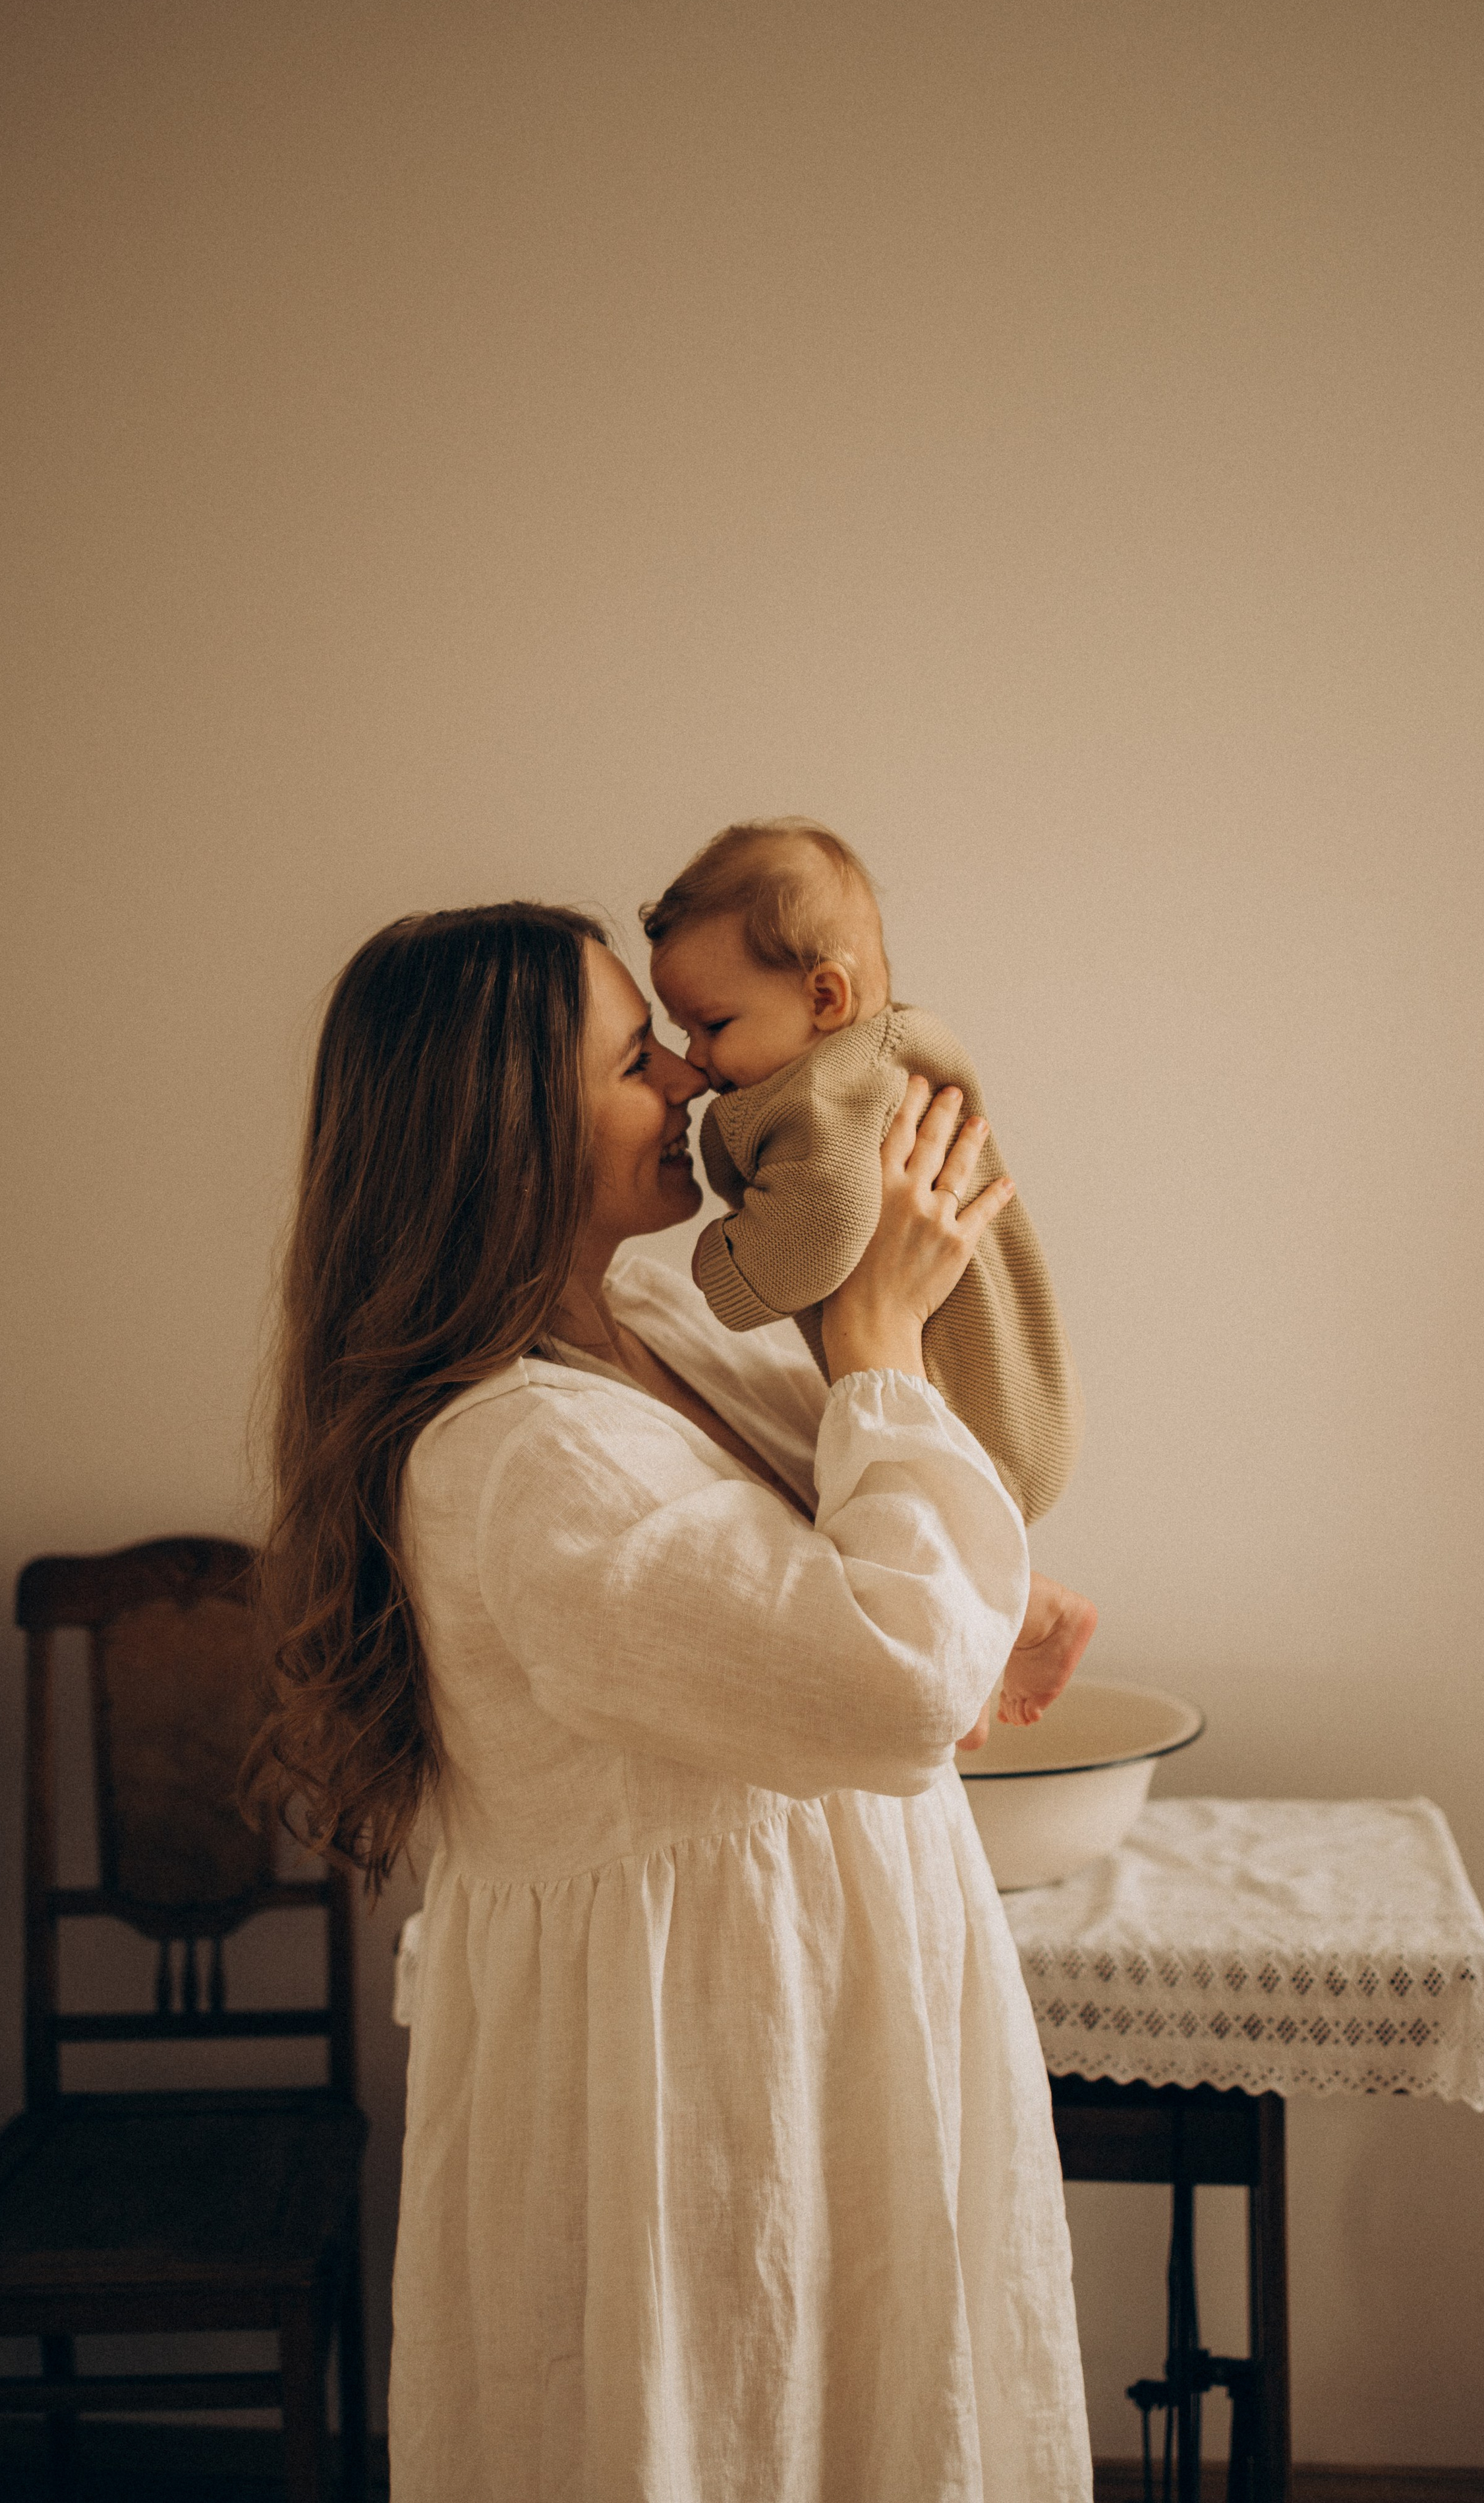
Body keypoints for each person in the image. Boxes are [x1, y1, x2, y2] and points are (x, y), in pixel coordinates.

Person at [246, 898, 1095, 2503]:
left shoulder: (650, 1331)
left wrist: (994, 1608)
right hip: (702, 2090)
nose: (696, 1088)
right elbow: (889, 1673)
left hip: (823, 2036)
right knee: (730, 2430)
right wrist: (877, 1332)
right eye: (638, 1057)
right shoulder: (513, 1455)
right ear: (507, 1127)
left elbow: (854, 1578)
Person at [644, 819, 1084, 1723]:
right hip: (1005, 1397)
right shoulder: (882, 1053)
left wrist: (721, 1260)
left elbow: (823, 1228)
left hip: (967, 1410)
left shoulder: (830, 1092)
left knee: (915, 1526)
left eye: (713, 1025)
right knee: (900, 1516)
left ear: (826, 997)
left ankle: (1005, 1630)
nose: (694, 1060)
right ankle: (1026, 1610)